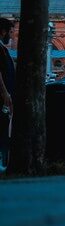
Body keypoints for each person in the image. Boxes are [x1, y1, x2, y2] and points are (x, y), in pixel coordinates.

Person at [0, 18, 16, 169]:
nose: (11, 36)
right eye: (10, 32)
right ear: (3, 31)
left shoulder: (2, 48)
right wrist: (5, 93)